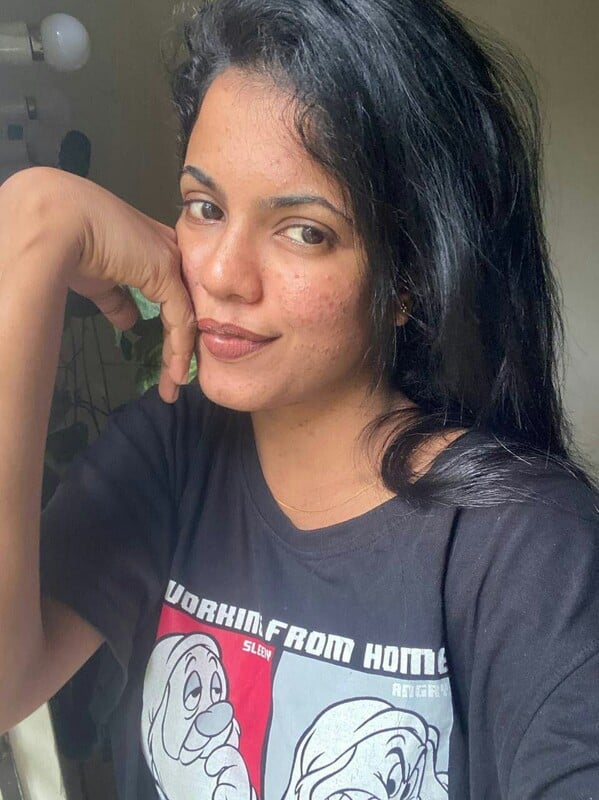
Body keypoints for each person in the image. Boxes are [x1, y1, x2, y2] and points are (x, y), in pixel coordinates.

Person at [0, 0, 597, 797]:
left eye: (304, 230)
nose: (220, 274)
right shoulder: (169, 453)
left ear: (409, 280)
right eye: (205, 207)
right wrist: (34, 224)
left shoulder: (524, 547)